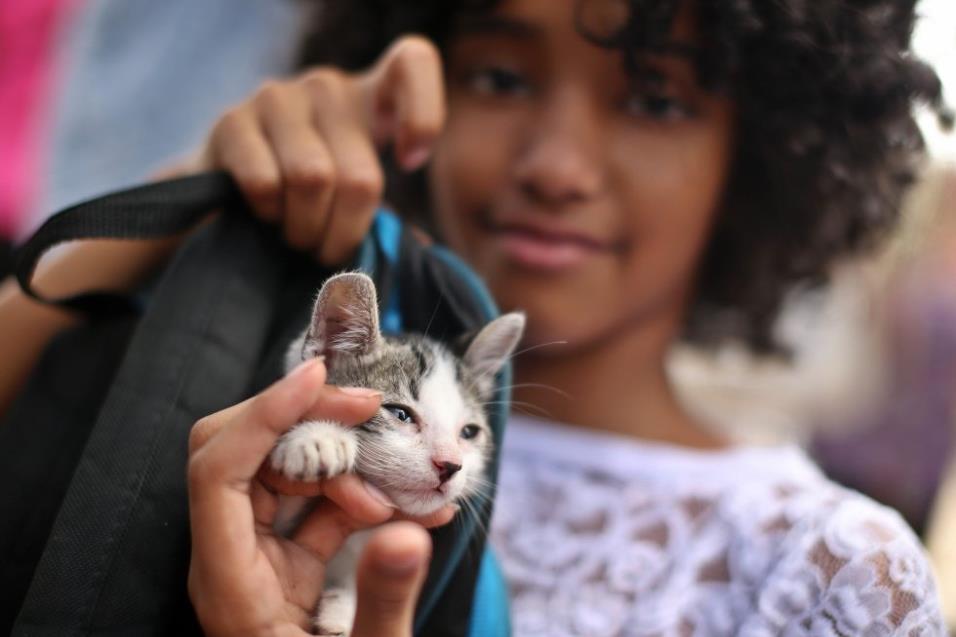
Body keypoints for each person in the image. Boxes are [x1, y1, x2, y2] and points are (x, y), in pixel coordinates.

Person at [1, 0, 950, 634]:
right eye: (499, 78)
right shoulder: (280, 391)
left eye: (656, 98)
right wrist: (200, 183)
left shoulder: (819, 570)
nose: (555, 164)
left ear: (762, 153)